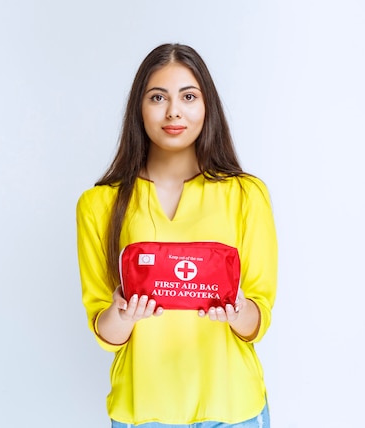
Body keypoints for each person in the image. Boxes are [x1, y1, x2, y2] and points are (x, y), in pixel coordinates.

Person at [76, 43, 278, 428]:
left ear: (207, 106)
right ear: (139, 107)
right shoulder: (99, 204)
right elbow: (104, 329)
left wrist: (237, 310)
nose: (173, 111)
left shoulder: (246, 195)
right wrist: (121, 313)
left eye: (188, 96)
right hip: (143, 409)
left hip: (233, 407)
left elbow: (258, 320)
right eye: (157, 97)